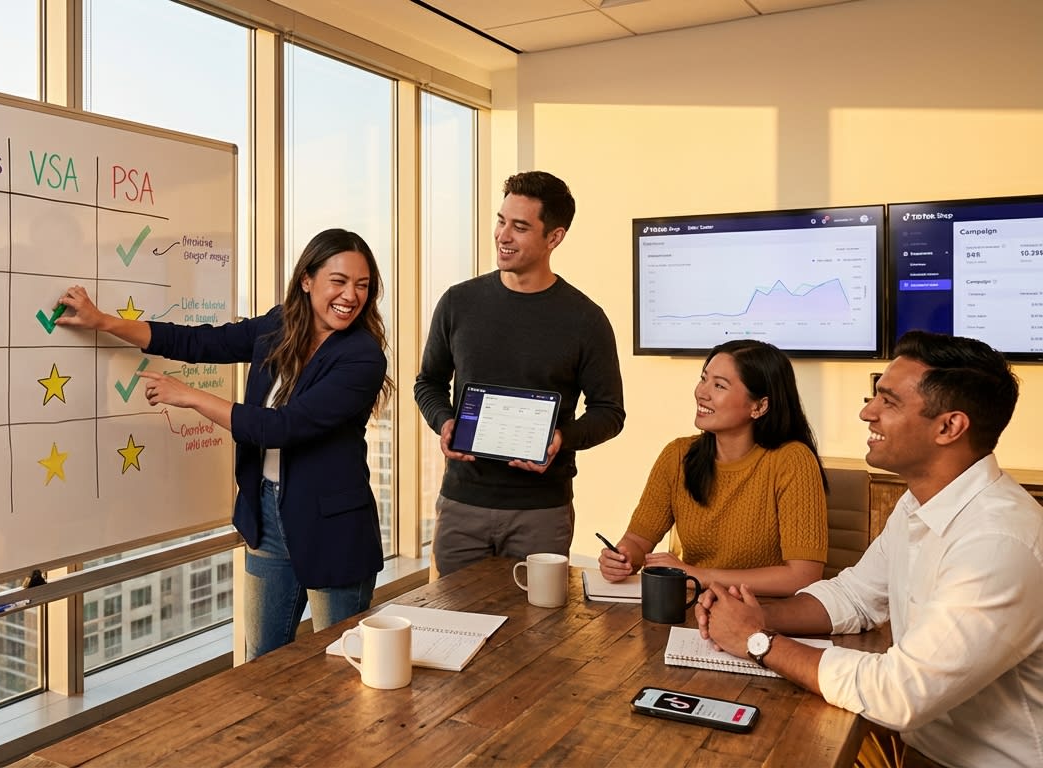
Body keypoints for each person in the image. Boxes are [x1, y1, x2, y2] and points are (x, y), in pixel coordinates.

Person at [697, 331, 1043, 767]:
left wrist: (758, 641)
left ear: (949, 427)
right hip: (918, 748)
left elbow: (899, 694)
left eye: (888, 401)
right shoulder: (920, 503)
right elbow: (854, 596)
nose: (867, 412)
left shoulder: (997, 542)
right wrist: (755, 616)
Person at [56, 228, 394, 660]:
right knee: (262, 663)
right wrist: (103, 322)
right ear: (307, 280)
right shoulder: (279, 326)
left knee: (342, 663)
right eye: (339, 281)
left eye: (362, 285)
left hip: (332, 527)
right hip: (267, 515)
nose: (351, 295)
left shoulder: (362, 356)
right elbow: (198, 342)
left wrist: (191, 397)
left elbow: (282, 428)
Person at [414, 170, 625, 576]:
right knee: (450, 614)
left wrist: (561, 438)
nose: (503, 235)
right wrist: (444, 421)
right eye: (501, 221)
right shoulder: (458, 303)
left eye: (520, 227)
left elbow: (609, 412)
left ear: (554, 237)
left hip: (541, 513)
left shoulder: (585, 319)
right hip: (461, 505)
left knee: (537, 618)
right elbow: (429, 382)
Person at [598, 339, 828, 596]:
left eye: (719, 385)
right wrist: (623, 557)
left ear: (759, 406)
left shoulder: (793, 460)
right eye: (703, 379)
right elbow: (637, 540)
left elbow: (802, 577)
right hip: (695, 605)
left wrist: (699, 575)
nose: (701, 392)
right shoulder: (678, 455)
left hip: (764, 610)